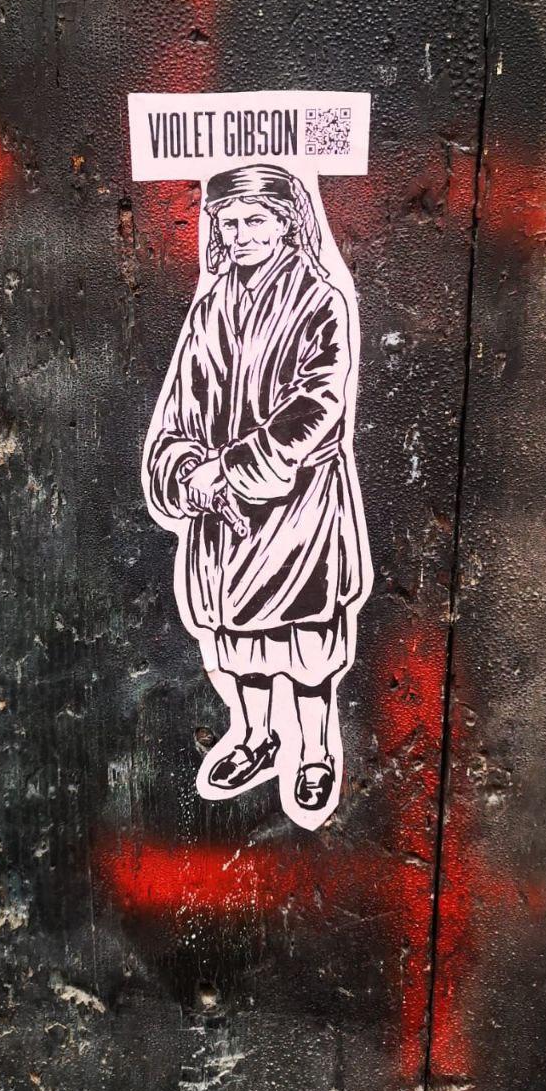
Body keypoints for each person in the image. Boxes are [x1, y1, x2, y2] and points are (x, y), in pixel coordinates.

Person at [143, 163, 366, 813]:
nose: (240, 235)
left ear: (286, 223)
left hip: (299, 507)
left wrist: (236, 465)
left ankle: (315, 751)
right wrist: (187, 469)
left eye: (254, 221)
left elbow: (319, 404)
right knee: (240, 641)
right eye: (229, 223)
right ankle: (258, 738)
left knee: (307, 641)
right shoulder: (211, 308)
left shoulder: (320, 300)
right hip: (223, 512)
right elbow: (181, 407)